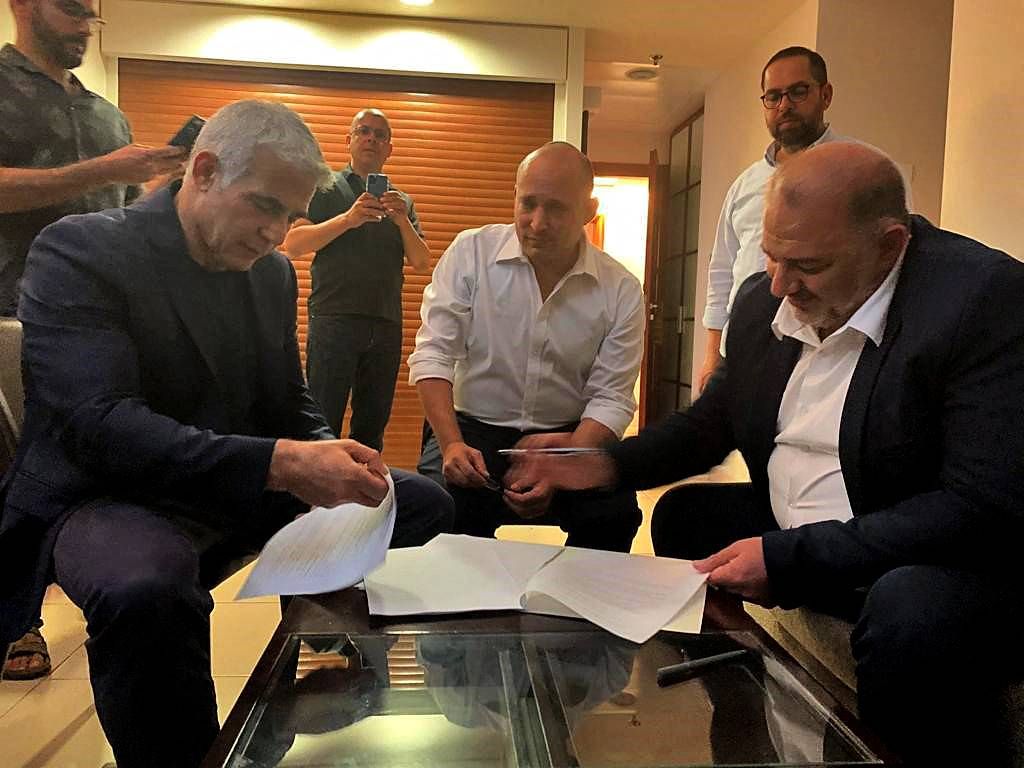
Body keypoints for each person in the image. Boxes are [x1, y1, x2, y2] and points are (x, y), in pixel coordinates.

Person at [510, 142, 1024, 766]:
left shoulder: (983, 300)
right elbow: (712, 422)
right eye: (771, 257)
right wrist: (604, 464)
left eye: (807, 265)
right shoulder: (764, 298)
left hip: (919, 551)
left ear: (889, 246)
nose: (780, 286)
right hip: (806, 527)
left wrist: (789, 556)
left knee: (911, 611)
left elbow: (978, 507)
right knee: (685, 517)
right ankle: (743, 714)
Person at [0, 99, 453, 768]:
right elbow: (100, 426)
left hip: (229, 477)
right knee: (144, 587)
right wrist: (282, 463)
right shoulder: (82, 250)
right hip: (109, 492)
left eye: (291, 217)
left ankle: (303, 673)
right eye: (264, 206)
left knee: (418, 504)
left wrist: (327, 450)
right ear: (205, 171)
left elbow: (286, 401)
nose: (275, 233)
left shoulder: (270, 273)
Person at [0, 0, 186, 681]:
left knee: (97, 462)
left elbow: (123, 223)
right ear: (22, 3)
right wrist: (103, 170)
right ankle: (17, 619)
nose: (83, 24)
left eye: (92, 15)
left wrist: (171, 198)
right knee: (15, 474)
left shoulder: (109, 116)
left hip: (103, 327)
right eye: (71, 9)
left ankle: (108, 588)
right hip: (8, 317)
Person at [409, 141, 645, 552]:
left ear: (588, 211)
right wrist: (450, 443)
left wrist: (567, 458)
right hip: (471, 428)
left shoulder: (621, 289)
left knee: (614, 515)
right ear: (514, 197)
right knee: (438, 507)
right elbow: (434, 354)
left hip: (569, 435)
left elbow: (611, 396)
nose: (537, 222)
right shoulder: (470, 253)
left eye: (556, 208)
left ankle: (578, 596)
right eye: (528, 204)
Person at [283, 108, 430, 451]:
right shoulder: (324, 188)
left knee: (372, 425)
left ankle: (363, 486)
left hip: (385, 324)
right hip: (334, 318)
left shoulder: (402, 202)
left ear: (389, 148)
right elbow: (293, 244)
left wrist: (401, 221)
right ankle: (320, 484)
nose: (371, 139)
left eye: (380, 135)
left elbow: (422, 262)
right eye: (364, 131)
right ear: (348, 140)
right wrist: (348, 219)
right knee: (322, 420)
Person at [700, 46, 845, 390]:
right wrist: (712, 355)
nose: (784, 105)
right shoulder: (745, 184)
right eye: (773, 96)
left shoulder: (857, 171)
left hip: (824, 355)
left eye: (798, 91)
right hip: (743, 351)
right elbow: (722, 271)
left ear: (825, 95)